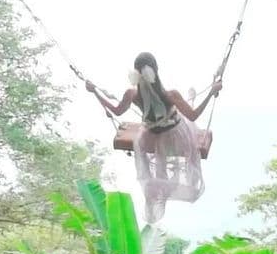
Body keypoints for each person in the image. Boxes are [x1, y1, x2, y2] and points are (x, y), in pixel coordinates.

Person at [86, 52, 222, 223]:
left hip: (150, 135)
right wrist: (211, 92)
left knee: (157, 161)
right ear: (156, 70)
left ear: (136, 72)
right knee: (174, 140)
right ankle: (165, 189)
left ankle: (156, 194)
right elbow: (193, 116)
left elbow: (117, 111)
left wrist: (95, 92)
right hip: (175, 134)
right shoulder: (171, 95)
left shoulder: (132, 94)